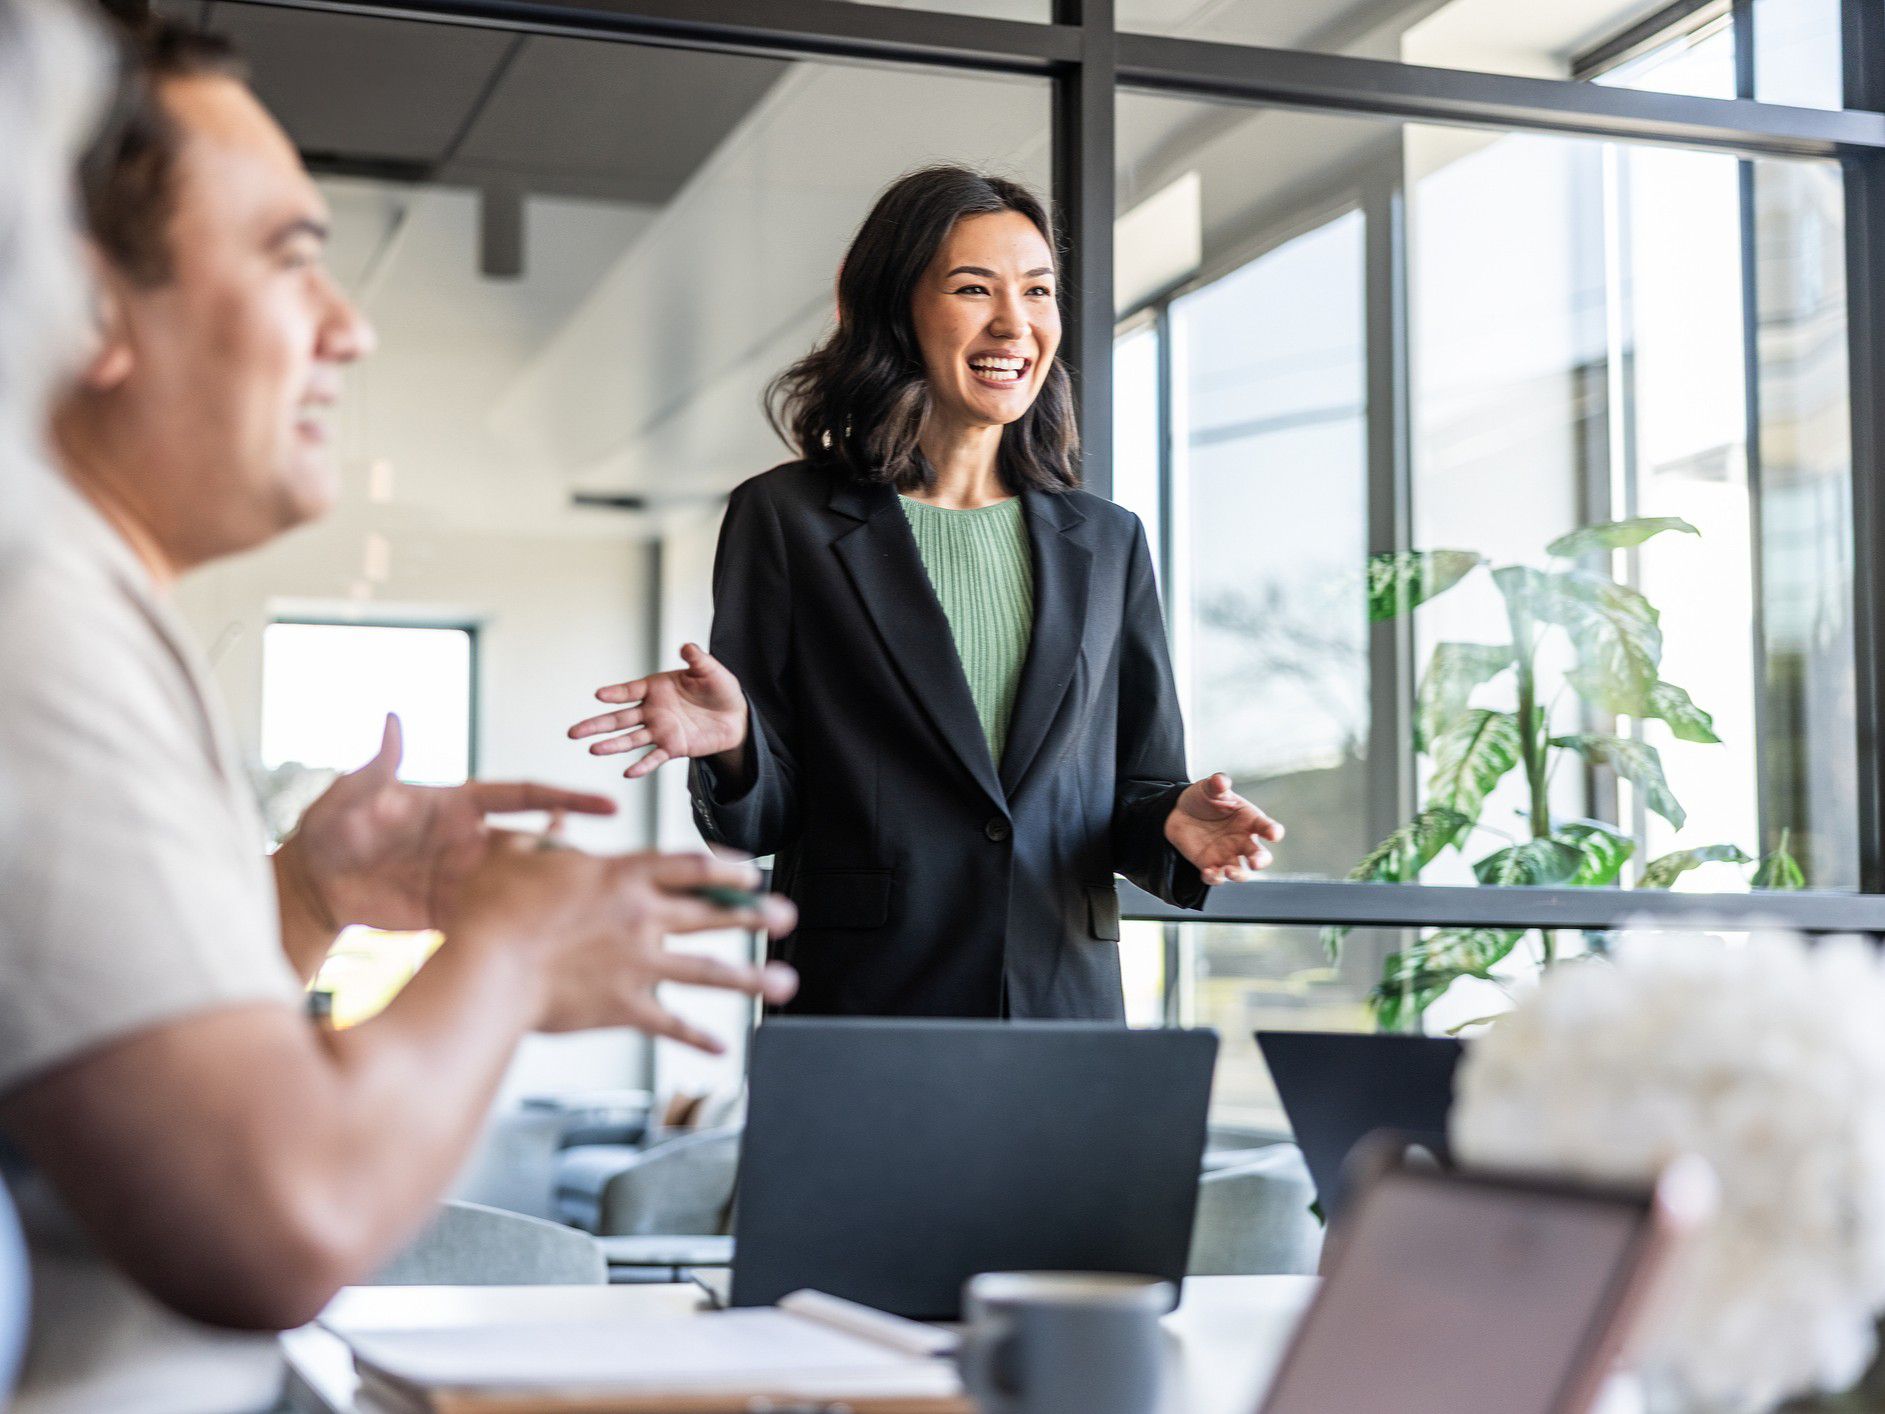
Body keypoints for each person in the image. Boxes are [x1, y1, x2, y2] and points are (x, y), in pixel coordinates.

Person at [0, 13, 797, 1412]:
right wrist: (506, 949)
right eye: (289, 257)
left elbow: (83, 1036)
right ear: (96, 307)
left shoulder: (80, 608)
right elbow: (277, 1217)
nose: (348, 325)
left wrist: (308, 894)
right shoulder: (41, 621)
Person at [570, 165, 1282, 1020]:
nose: (1013, 323)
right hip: (862, 999)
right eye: (973, 289)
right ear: (896, 309)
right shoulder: (786, 519)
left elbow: (1132, 784)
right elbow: (760, 821)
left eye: (1037, 291)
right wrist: (735, 745)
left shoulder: (1108, 540)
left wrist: (1174, 822)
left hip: (1059, 1005)